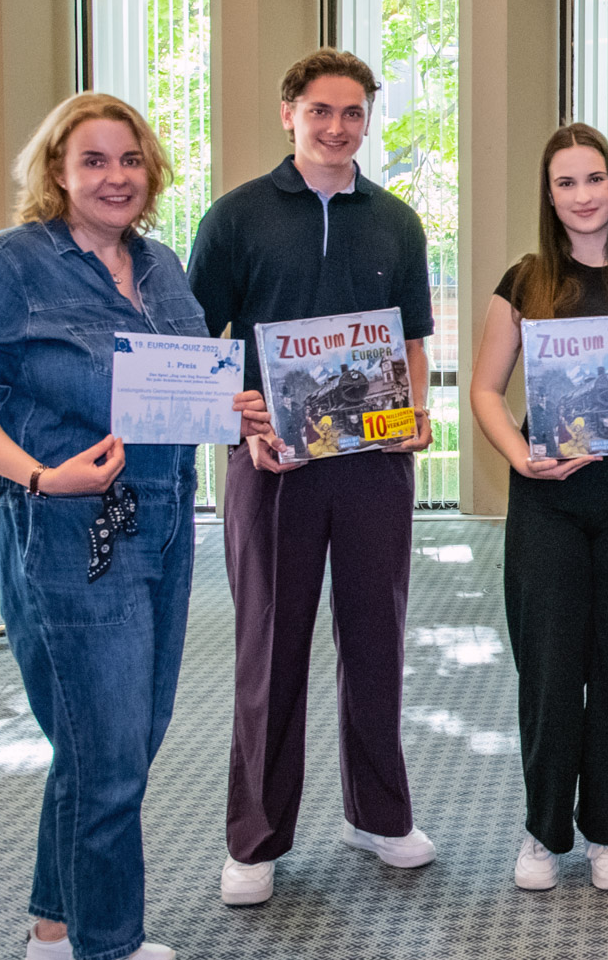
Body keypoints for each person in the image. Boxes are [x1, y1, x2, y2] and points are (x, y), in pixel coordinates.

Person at [0, 93, 270, 960]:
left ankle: (55, 926)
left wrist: (231, 407)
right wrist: (41, 474)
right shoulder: (12, 267)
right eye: (93, 161)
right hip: (63, 530)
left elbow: (185, 384)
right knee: (105, 749)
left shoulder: (160, 267)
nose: (115, 176)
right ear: (59, 171)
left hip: (161, 519)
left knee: (118, 739)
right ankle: (101, 955)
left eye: (130, 160)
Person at [188, 49, 438, 906]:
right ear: (288, 111)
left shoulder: (398, 221)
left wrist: (416, 408)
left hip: (373, 465)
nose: (338, 128)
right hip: (273, 467)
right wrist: (238, 421)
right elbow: (204, 350)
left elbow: (410, 338)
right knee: (270, 643)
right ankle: (255, 837)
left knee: (377, 636)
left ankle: (378, 811)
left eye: (354, 113)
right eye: (322, 110)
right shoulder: (235, 217)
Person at [470, 123, 608, 890]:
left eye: (593, 178)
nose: (582, 195)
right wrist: (517, 454)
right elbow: (485, 391)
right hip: (548, 501)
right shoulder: (525, 281)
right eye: (565, 182)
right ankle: (543, 830)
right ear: (549, 193)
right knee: (552, 669)